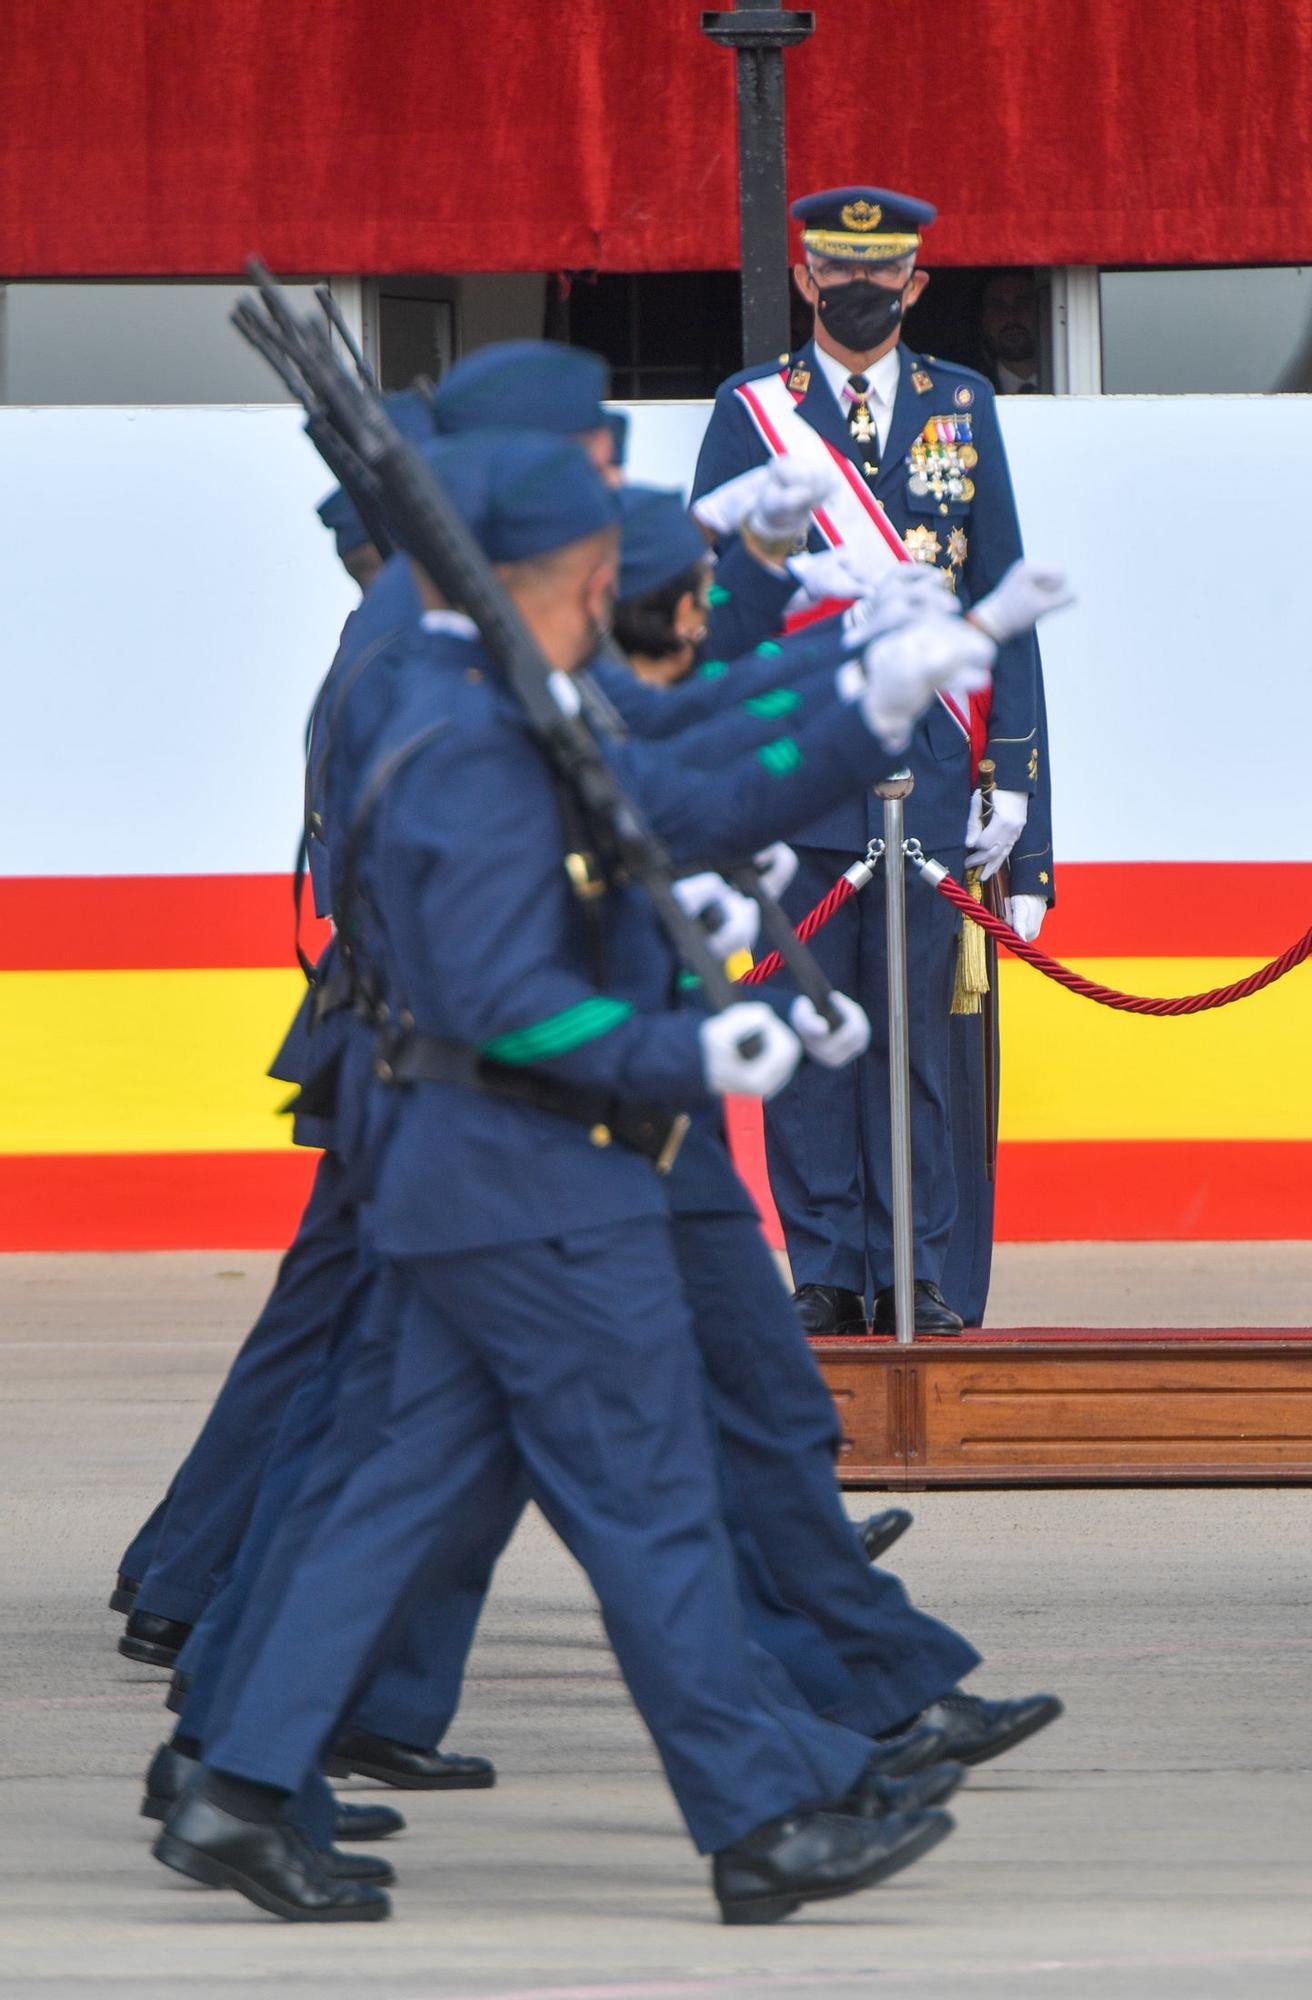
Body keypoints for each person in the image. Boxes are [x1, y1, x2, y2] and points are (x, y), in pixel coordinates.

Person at [151, 432, 994, 1924]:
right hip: (524, 1174)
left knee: (388, 1490)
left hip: (495, 1174)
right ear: (560, 575)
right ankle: (769, 1813)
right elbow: (498, 985)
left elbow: (667, 767)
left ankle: (236, 1776)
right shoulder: (463, 714)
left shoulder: (491, 689)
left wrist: (861, 698)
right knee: (649, 1501)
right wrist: (700, 1052)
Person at [692, 184, 1058, 1336]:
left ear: (916, 284)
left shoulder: (963, 404)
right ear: (803, 280)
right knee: (810, 1041)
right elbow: (714, 615)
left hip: (937, 782)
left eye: (881, 273)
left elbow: (1004, 600)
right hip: (798, 782)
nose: (859, 290)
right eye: (836, 273)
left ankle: (920, 1268)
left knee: (920, 1049)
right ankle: (827, 1268)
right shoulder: (752, 409)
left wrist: (1022, 814)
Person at [979, 270, 1042, 395]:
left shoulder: (1075, 380)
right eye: (998, 307)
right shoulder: (971, 391)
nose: (1011, 316)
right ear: (984, 320)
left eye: (1022, 303)